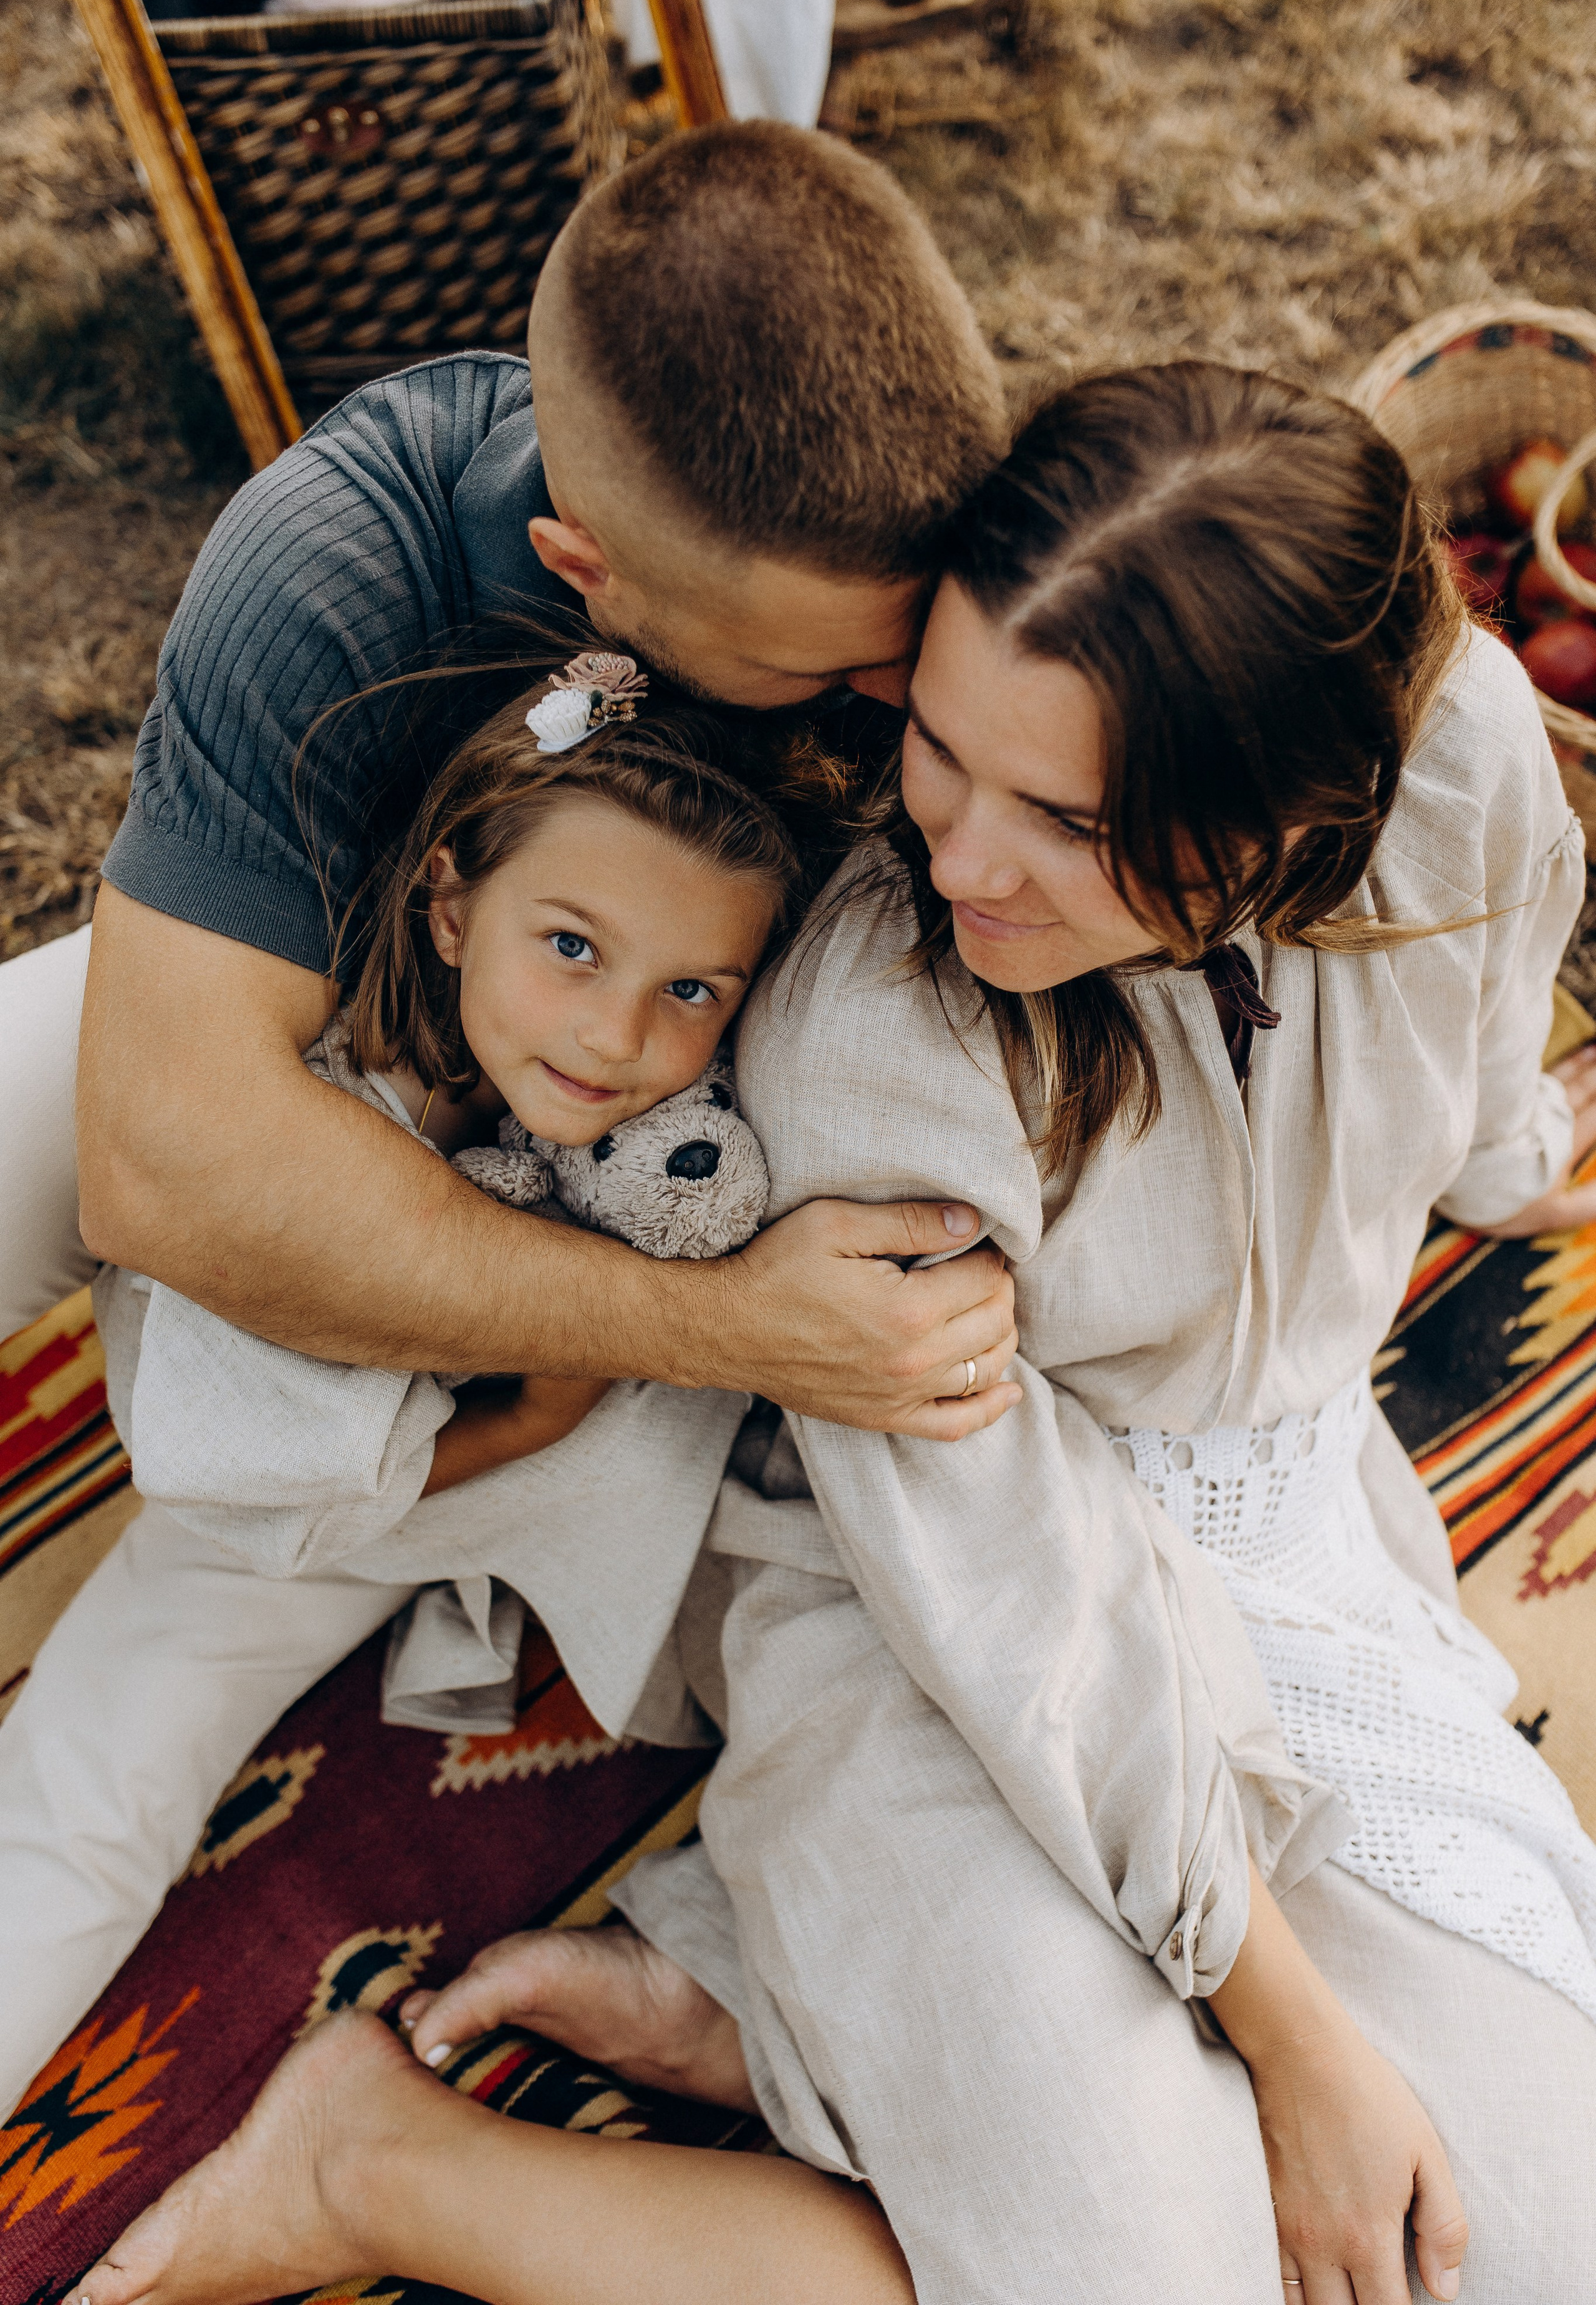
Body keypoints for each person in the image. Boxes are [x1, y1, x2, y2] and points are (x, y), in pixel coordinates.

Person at [75, 363, 1596, 2305]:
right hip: (925, 1631)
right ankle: (383, 2165)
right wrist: (1294, 2043)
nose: (960, 858)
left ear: (1293, 816)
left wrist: (1492, 1145)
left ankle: (790, 2035)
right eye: (939, 751)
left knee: (1532, 2245)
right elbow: (1020, 1590)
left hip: (1304, 1576)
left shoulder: (1462, 743)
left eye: (1067, 818)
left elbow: (1480, 984)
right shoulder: (887, 1013)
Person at [0, 121, 1018, 1442]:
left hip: (702, 1061)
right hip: (367, 991)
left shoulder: (924, 503)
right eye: (825, 670)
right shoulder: (339, 563)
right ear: (582, 564)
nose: (902, 707)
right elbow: (164, 1166)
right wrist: (724, 1332)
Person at [1, 671, 928, 2117]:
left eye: (688, 989)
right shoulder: (293, 1034)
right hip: (260, 1337)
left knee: (96, 1792)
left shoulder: (678, 1127)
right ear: (447, 905)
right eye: (570, 947)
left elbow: (266, 1497)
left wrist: (549, 1415)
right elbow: (233, 1471)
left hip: (380, 1473)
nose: (616, 1039)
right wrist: (532, 1414)